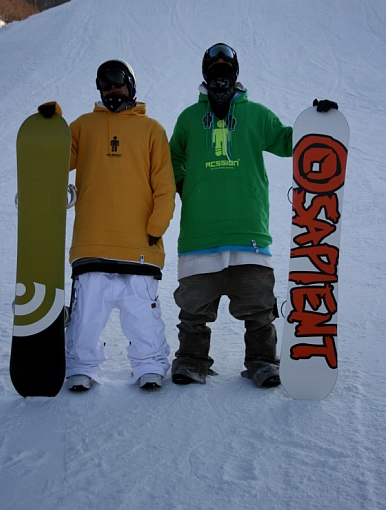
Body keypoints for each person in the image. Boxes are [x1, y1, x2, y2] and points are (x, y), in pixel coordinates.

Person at [169, 43, 338, 388]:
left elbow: (288, 142)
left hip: (249, 236)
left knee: (260, 311)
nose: (220, 73)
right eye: (213, 68)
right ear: (205, 74)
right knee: (193, 312)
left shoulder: (257, 114)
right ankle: (190, 361)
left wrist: (318, 123)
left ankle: (262, 361)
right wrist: (186, 186)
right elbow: (171, 159)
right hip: (200, 237)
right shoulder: (188, 118)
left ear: (236, 73)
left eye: (226, 67)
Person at [65, 59, 175, 392]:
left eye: (118, 84)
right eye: (106, 86)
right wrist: (50, 126)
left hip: (139, 242)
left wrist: (156, 228)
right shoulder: (83, 127)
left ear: (131, 86)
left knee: (142, 314)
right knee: (86, 314)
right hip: (92, 240)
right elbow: (57, 158)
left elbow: (165, 185)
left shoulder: (152, 130)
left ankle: (150, 365)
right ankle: (81, 367)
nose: (113, 91)